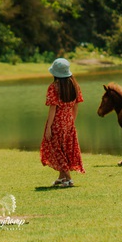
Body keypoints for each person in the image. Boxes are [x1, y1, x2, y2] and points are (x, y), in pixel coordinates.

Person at [40, 58, 85, 187]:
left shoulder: (53, 87)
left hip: (57, 122)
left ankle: (68, 178)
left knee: (56, 148)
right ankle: (61, 177)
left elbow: (53, 108)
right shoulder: (75, 85)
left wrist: (49, 127)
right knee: (65, 148)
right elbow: (76, 106)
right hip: (69, 121)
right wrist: (71, 121)